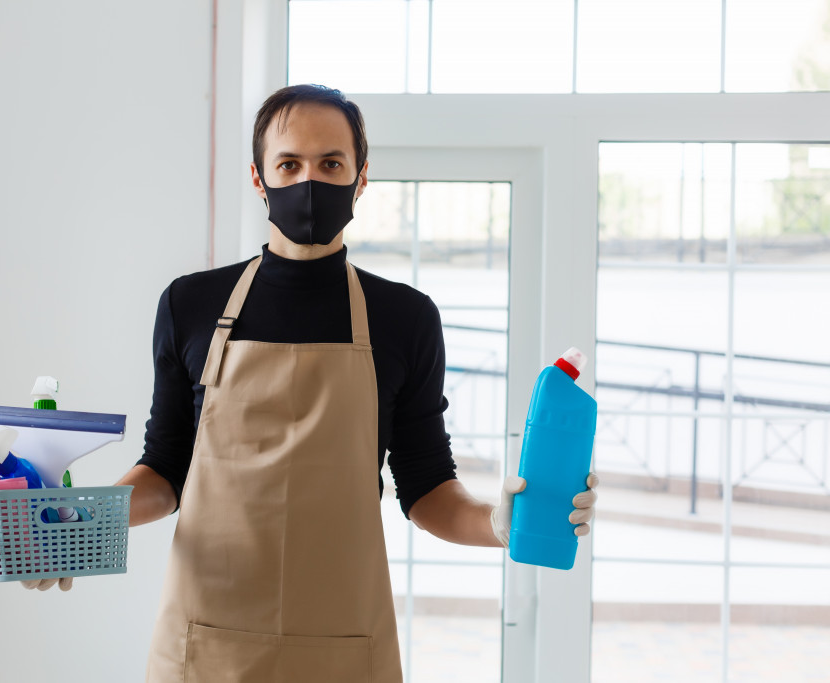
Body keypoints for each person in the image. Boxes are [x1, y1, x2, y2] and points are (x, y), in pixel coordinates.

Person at [34, 84, 599, 682]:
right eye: (289, 164)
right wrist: (83, 520)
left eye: (331, 164)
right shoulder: (190, 305)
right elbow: (166, 469)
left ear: (360, 179)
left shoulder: (404, 318)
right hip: (205, 643)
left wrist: (498, 525)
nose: (310, 182)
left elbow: (428, 487)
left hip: (345, 645)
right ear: (259, 178)